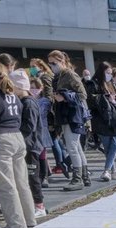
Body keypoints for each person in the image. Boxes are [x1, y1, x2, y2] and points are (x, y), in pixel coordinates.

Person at [0, 63, 36, 228]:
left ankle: (15, 223)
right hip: (17, 137)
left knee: (5, 184)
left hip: (0, 140)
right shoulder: (13, 95)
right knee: (21, 181)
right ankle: (30, 219)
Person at [47, 50, 89, 191]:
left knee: (72, 147)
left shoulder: (69, 74)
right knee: (75, 147)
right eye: (50, 63)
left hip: (72, 115)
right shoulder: (59, 76)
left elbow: (82, 94)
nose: (52, 66)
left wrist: (65, 97)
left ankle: (77, 178)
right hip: (66, 115)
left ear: (62, 61)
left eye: (54, 63)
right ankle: (83, 176)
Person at [13, 72, 48, 218]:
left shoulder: (28, 103)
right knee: (27, 177)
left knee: (33, 177)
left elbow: (30, 126)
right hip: (29, 144)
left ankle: (39, 206)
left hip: (31, 145)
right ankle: (31, 203)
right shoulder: (24, 102)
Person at [88, 62, 116, 182]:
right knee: (108, 147)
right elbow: (91, 100)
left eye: (110, 73)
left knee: (115, 145)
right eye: (107, 73)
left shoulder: (111, 84)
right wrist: (106, 98)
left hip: (114, 118)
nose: (109, 75)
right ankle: (112, 171)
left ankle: (107, 170)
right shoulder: (93, 84)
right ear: (101, 72)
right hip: (102, 119)